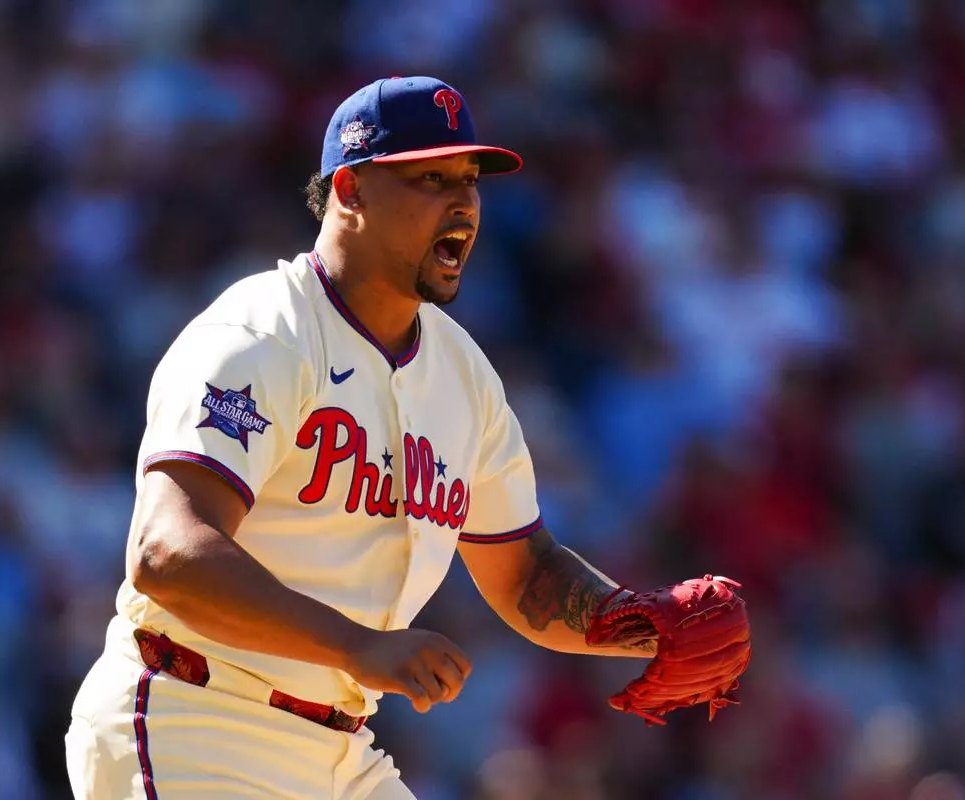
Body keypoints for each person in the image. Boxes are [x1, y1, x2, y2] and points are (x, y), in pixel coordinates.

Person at [65, 76, 747, 800]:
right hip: (192, 715)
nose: (464, 203)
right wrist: (358, 646)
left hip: (339, 747)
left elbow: (525, 574)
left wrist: (635, 621)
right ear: (351, 190)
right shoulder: (264, 334)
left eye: (470, 180)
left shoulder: (462, 373)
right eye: (431, 178)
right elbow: (168, 554)